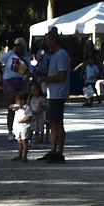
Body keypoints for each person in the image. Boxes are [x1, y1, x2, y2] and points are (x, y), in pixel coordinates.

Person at [38, 27, 70, 163]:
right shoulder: (53, 55)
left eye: (47, 40)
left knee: (57, 123)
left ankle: (59, 152)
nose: (46, 43)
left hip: (58, 93)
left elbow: (62, 75)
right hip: (52, 93)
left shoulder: (61, 54)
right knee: (52, 123)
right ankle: (52, 150)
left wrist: (45, 79)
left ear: (54, 41)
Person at [0, 38, 30, 135]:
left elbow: (30, 70)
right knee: (11, 106)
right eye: (15, 45)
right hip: (9, 81)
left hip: (21, 82)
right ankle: (10, 131)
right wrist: (0, 74)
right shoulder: (10, 54)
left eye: (19, 45)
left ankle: (23, 129)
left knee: (23, 106)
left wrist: (28, 75)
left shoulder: (26, 57)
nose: (16, 47)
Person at [12, 91, 32, 161]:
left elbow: (30, 117)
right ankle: (19, 155)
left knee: (24, 141)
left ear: (23, 100)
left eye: (18, 100)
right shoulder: (17, 108)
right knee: (19, 141)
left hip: (24, 127)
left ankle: (25, 156)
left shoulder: (27, 108)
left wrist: (22, 120)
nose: (17, 102)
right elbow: (10, 106)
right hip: (18, 127)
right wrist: (17, 106)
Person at [28, 79, 47, 146]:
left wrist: (39, 111)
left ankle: (36, 143)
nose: (33, 92)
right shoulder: (30, 98)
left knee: (37, 130)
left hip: (39, 117)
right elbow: (28, 106)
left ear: (39, 90)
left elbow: (44, 107)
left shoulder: (41, 99)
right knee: (30, 130)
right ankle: (29, 141)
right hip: (31, 116)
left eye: (34, 90)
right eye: (32, 90)